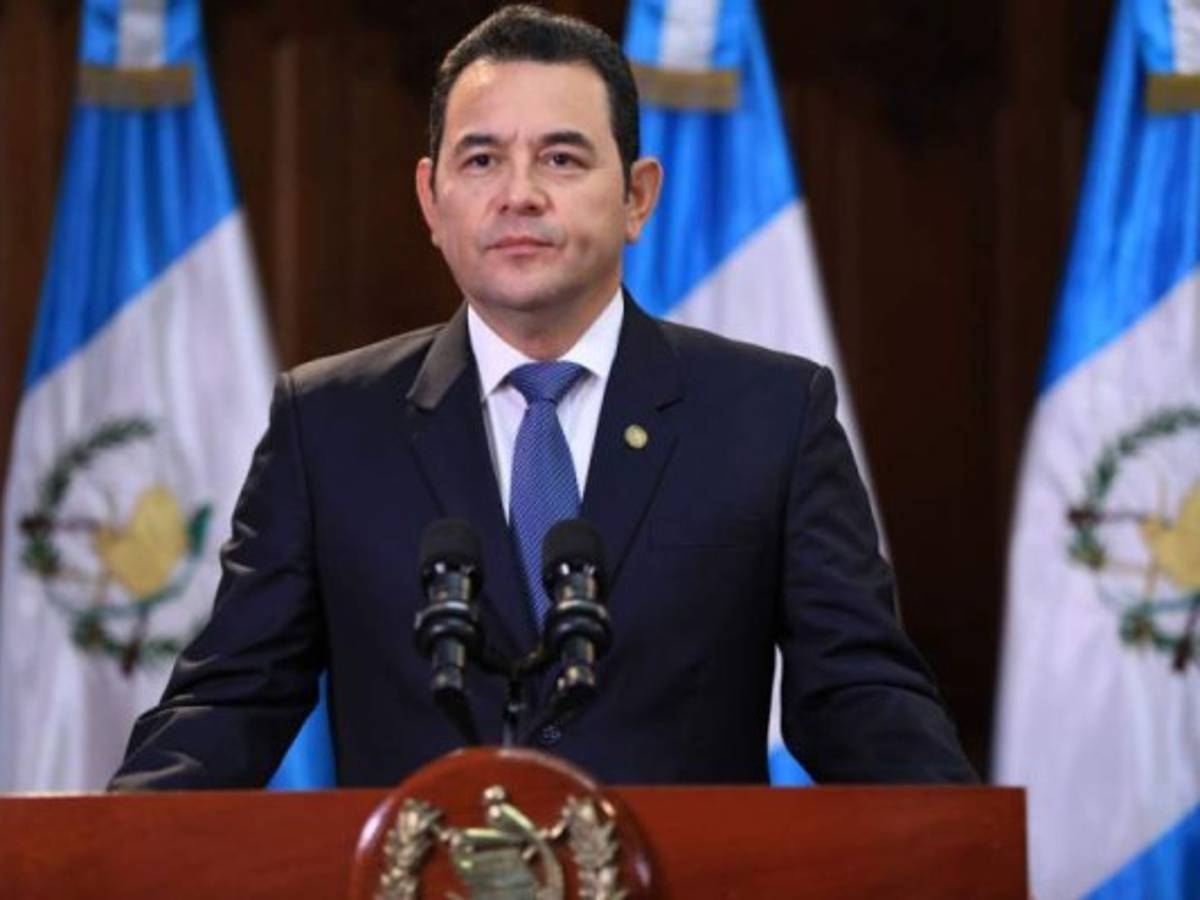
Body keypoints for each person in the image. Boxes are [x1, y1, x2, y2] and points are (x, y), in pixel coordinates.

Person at [110, 5, 976, 790]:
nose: (518, 194)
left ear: (637, 196)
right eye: (482, 159)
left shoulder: (769, 416)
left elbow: (860, 700)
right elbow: (228, 707)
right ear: (431, 199)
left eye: (561, 158)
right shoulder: (329, 425)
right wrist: (100, 860)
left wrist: (956, 849)